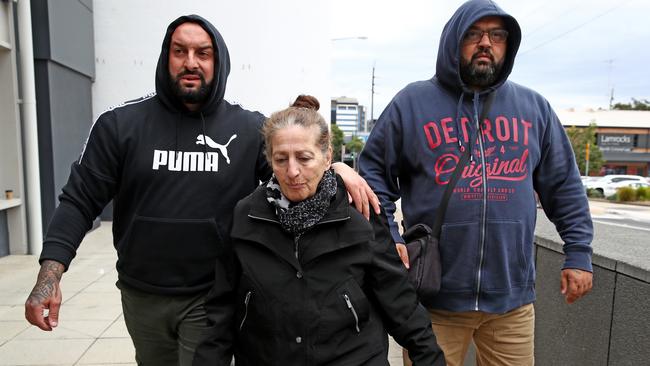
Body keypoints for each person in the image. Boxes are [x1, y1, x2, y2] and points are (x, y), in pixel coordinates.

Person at [24, 15, 378, 366]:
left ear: (218, 61)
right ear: (167, 58)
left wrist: (335, 167)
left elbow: (295, 173)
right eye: (180, 51)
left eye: (202, 53)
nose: (190, 62)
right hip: (141, 294)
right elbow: (78, 201)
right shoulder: (120, 125)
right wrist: (49, 275)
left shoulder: (248, 128)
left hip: (213, 293)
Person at [358, 1, 594, 365]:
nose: (486, 43)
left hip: (511, 303)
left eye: (497, 35)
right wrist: (389, 237)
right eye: (474, 34)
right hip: (435, 300)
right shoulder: (412, 104)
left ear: (508, 45)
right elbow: (372, 176)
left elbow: (563, 186)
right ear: (454, 41)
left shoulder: (534, 109)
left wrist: (578, 252)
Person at [192, 95, 446, 366]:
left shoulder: (360, 214)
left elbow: (400, 302)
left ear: (327, 158)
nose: (292, 171)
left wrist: (429, 358)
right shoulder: (246, 215)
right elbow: (221, 311)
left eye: (304, 158)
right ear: (269, 160)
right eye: (281, 159)